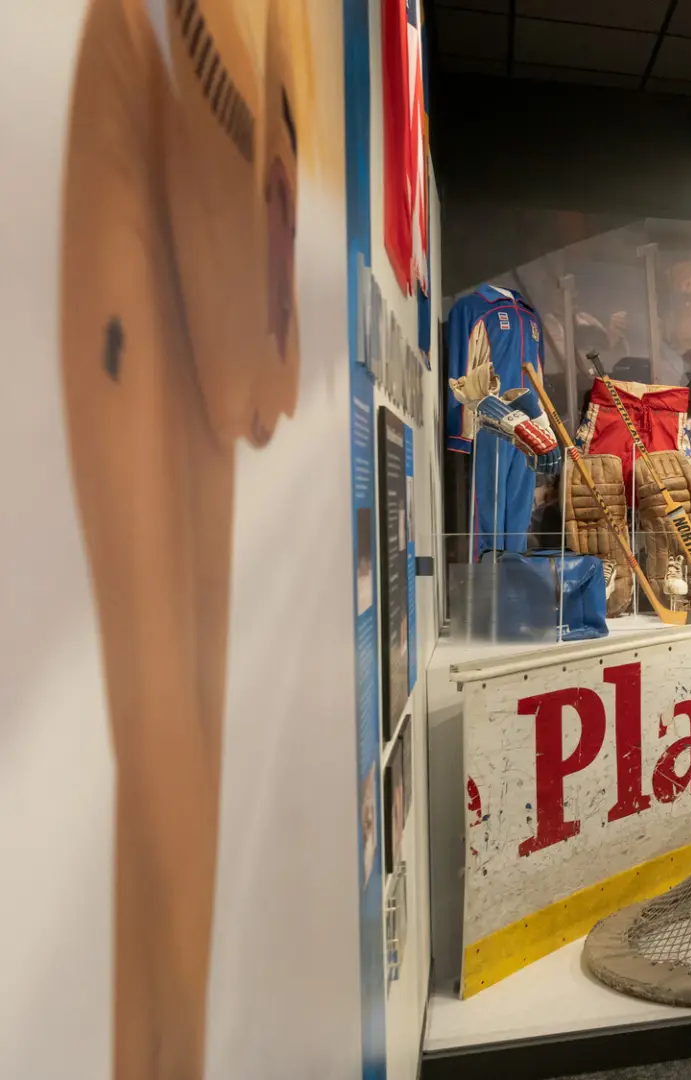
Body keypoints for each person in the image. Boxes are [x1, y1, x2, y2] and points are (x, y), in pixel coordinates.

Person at [59, 0, 311, 1075]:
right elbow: (239, 94)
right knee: (166, 733)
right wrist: (260, 352)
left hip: (192, 245)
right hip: (161, 219)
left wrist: (264, 344)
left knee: (178, 737)